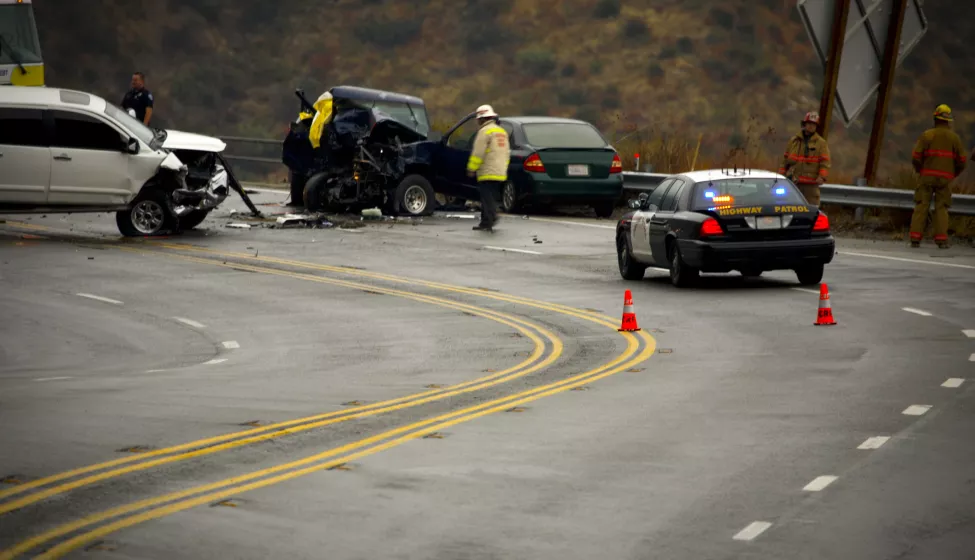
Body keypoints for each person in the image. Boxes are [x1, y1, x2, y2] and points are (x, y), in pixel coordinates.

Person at [909, 104, 967, 249]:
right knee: (942, 208)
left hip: (926, 177)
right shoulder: (955, 138)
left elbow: (916, 157)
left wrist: (920, 170)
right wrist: (953, 174)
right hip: (945, 179)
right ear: (948, 121)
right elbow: (962, 161)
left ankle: (915, 239)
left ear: (935, 118)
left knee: (921, 205)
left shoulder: (927, 135)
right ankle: (941, 240)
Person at [466, 105, 510, 232]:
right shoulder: (502, 132)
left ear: (482, 119)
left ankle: (490, 219)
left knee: (486, 197)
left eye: (478, 119)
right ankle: (486, 221)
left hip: (487, 170)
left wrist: (471, 168)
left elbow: (478, 153)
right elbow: (507, 152)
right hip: (500, 170)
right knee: (491, 196)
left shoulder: (484, 132)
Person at [778, 111, 831, 206]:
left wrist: (822, 176)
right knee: (790, 209)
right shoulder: (794, 141)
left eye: (814, 124)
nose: (811, 126)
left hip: (811, 186)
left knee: (811, 211)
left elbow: (825, 162)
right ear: (804, 124)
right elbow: (785, 160)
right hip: (793, 183)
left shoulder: (821, 143)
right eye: (809, 123)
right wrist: (781, 176)